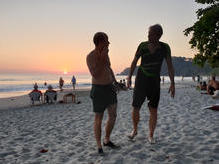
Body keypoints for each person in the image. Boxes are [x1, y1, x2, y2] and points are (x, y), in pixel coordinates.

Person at [127, 24, 175, 144]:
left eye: (150, 34)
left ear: (158, 35)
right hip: (141, 78)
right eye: (148, 33)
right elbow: (134, 61)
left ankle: (151, 135)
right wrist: (129, 77)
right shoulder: (142, 46)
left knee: (153, 109)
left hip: (154, 80)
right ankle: (135, 130)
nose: (148, 36)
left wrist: (172, 83)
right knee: (136, 106)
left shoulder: (165, 48)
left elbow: (170, 66)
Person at [86, 32, 118, 155]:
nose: (109, 43)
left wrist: (115, 82)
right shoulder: (91, 56)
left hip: (110, 88)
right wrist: (102, 57)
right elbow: (95, 73)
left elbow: (109, 68)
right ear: (100, 42)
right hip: (98, 89)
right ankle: (99, 145)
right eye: (106, 41)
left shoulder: (107, 54)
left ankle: (107, 139)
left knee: (113, 115)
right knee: (98, 118)